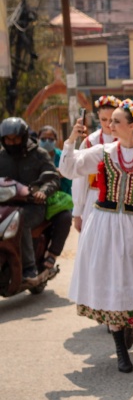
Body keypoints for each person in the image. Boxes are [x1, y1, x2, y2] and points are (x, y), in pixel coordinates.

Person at [60, 100, 133, 373]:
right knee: (114, 281)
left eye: (116, 121)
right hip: (105, 227)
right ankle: (121, 351)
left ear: (132, 126)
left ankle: (129, 324)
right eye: (109, 121)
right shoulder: (102, 152)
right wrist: (72, 137)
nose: (110, 125)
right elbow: (69, 169)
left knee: (132, 280)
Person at [0, 117, 60, 286]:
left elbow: (53, 178)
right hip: (5, 207)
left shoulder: (38, 155)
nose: (12, 143)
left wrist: (42, 191)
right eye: (8, 139)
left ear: (24, 137)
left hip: (33, 207)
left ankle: (29, 268)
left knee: (21, 221)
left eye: (16, 138)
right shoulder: (1, 157)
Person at [68, 96, 120, 235]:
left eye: (112, 120)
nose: (108, 124)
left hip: (119, 198)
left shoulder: (125, 139)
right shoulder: (91, 141)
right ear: (98, 116)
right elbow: (80, 178)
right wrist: (78, 212)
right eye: (104, 120)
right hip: (94, 197)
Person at [35, 126, 73, 273]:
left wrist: (62, 175)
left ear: (56, 141)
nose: (46, 142)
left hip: (57, 201)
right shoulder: (33, 156)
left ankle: (52, 254)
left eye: (50, 139)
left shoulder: (63, 157)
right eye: (43, 139)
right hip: (34, 198)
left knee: (65, 217)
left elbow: (70, 181)